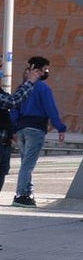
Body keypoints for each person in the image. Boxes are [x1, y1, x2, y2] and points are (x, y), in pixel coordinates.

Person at [12, 55, 66, 207]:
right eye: (45, 69)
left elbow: (14, 109)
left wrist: (14, 129)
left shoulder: (22, 87)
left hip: (21, 129)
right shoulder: (43, 88)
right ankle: (21, 194)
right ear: (37, 70)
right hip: (35, 129)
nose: (47, 71)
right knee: (28, 164)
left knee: (25, 163)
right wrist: (60, 127)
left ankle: (27, 193)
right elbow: (51, 109)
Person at [0, 60, 44, 194]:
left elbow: (8, 106)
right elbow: (13, 102)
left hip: (4, 144)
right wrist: (29, 82)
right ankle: (23, 194)